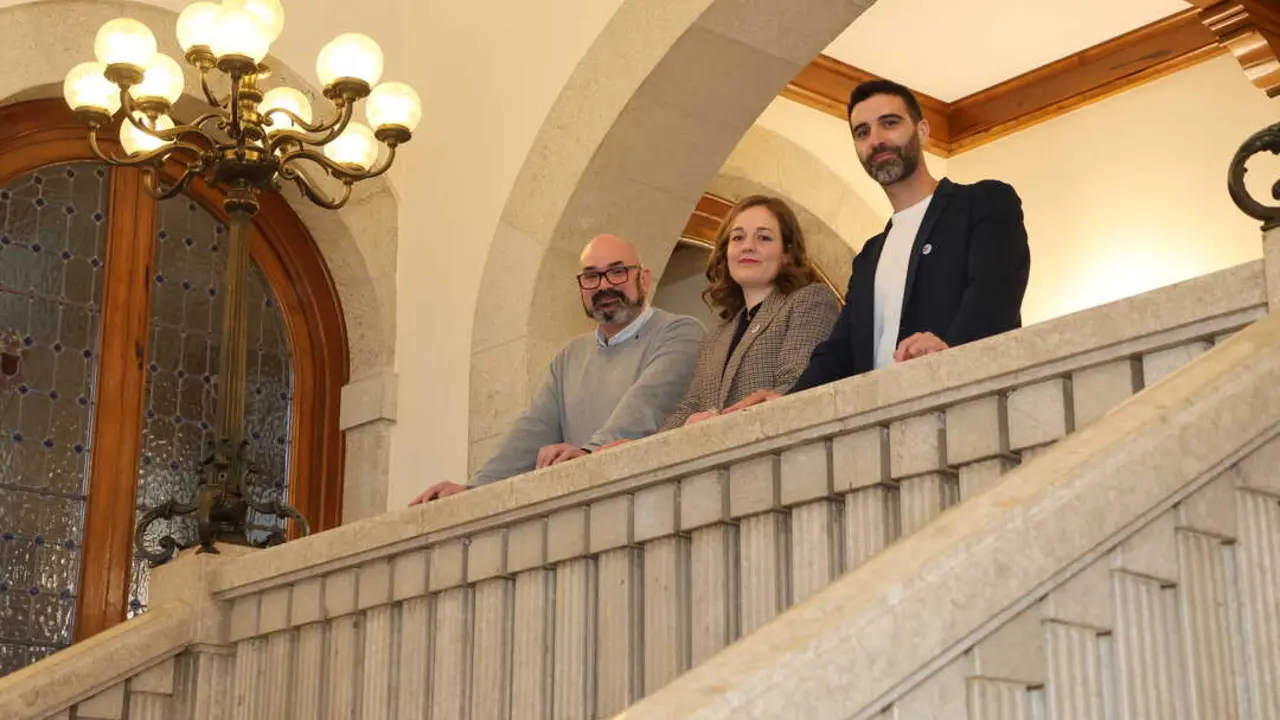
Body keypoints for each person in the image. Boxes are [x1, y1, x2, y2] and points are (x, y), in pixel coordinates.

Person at [725, 79, 1030, 412]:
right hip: (881, 431)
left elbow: (993, 294)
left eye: (889, 123)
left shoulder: (984, 203)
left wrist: (951, 351)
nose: (876, 140)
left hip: (970, 408)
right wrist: (788, 400)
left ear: (923, 130)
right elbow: (841, 350)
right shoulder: (869, 256)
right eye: (862, 132)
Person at [410, 234, 704, 503]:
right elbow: (533, 428)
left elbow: (646, 407)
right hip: (583, 509)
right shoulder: (569, 356)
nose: (604, 285)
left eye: (617, 272)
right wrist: (474, 490)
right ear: (580, 288)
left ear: (644, 279)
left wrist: (589, 452)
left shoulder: (678, 332)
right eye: (591, 276)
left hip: (651, 503)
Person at [658, 195, 839, 429]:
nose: (748, 246)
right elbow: (690, 406)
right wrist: (636, 448)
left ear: (787, 252)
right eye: (738, 238)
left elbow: (798, 384)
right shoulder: (717, 335)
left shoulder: (808, 301)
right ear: (726, 253)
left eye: (763, 237)